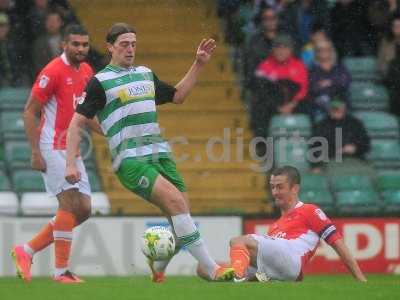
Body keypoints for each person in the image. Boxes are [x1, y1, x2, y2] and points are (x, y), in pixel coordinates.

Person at [64, 23, 234, 283]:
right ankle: (211, 268)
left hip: (160, 155)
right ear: (110, 47)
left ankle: (159, 267)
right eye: (124, 44)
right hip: (130, 160)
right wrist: (70, 164)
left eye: (133, 44)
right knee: (177, 205)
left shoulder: (145, 74)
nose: (130, 49)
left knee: (181, 218)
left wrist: (199, 64)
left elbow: (178, 96)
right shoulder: (100, 82)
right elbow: (77, 122)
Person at [11, 24, 101, 284]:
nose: (81, 49)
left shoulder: (86, 71)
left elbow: (86, 113)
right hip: (52, 145)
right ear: (64, 44)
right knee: (70, 204)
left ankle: (26, 251)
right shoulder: (52, 71)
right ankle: (61, 272)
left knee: (83, 209)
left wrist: (108, 131)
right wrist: (35, 152)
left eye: (85, 45)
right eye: (76, 44)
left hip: (71, 148)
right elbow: (29, 112)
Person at [199, 166, 367, 282]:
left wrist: (360, 278)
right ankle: (243, 277)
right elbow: (293, 273)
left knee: (237, 241)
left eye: (280, 187)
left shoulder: (309, 210)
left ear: (295, 188)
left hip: (292, 258)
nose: (274, 192)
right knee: (204, 268)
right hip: (281, 270)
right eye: (272, 187)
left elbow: (337, 243)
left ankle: (238, 275)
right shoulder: (275, 226)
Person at [310, 98, 370, 172]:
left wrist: (355, 148)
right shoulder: (322, 125)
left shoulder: (355, 123)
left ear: (344, 109)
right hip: (331, 160)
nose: (336, 112)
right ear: (330, 110)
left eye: (339, 109)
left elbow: (366, 144)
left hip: (354, 159)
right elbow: (314, 148)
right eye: (334, 109)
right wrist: (316, 166)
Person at [308, 39, 351, 121]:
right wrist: (334, 82)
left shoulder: (340, 68)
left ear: (331, 51)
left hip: (339, 102)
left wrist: (329, 82)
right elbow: (313, 88)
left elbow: (345, 82)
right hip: (320, 107)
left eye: (326, 49)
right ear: (316, 52)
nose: (323, 52)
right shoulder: (312, 70)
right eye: (320, 50)